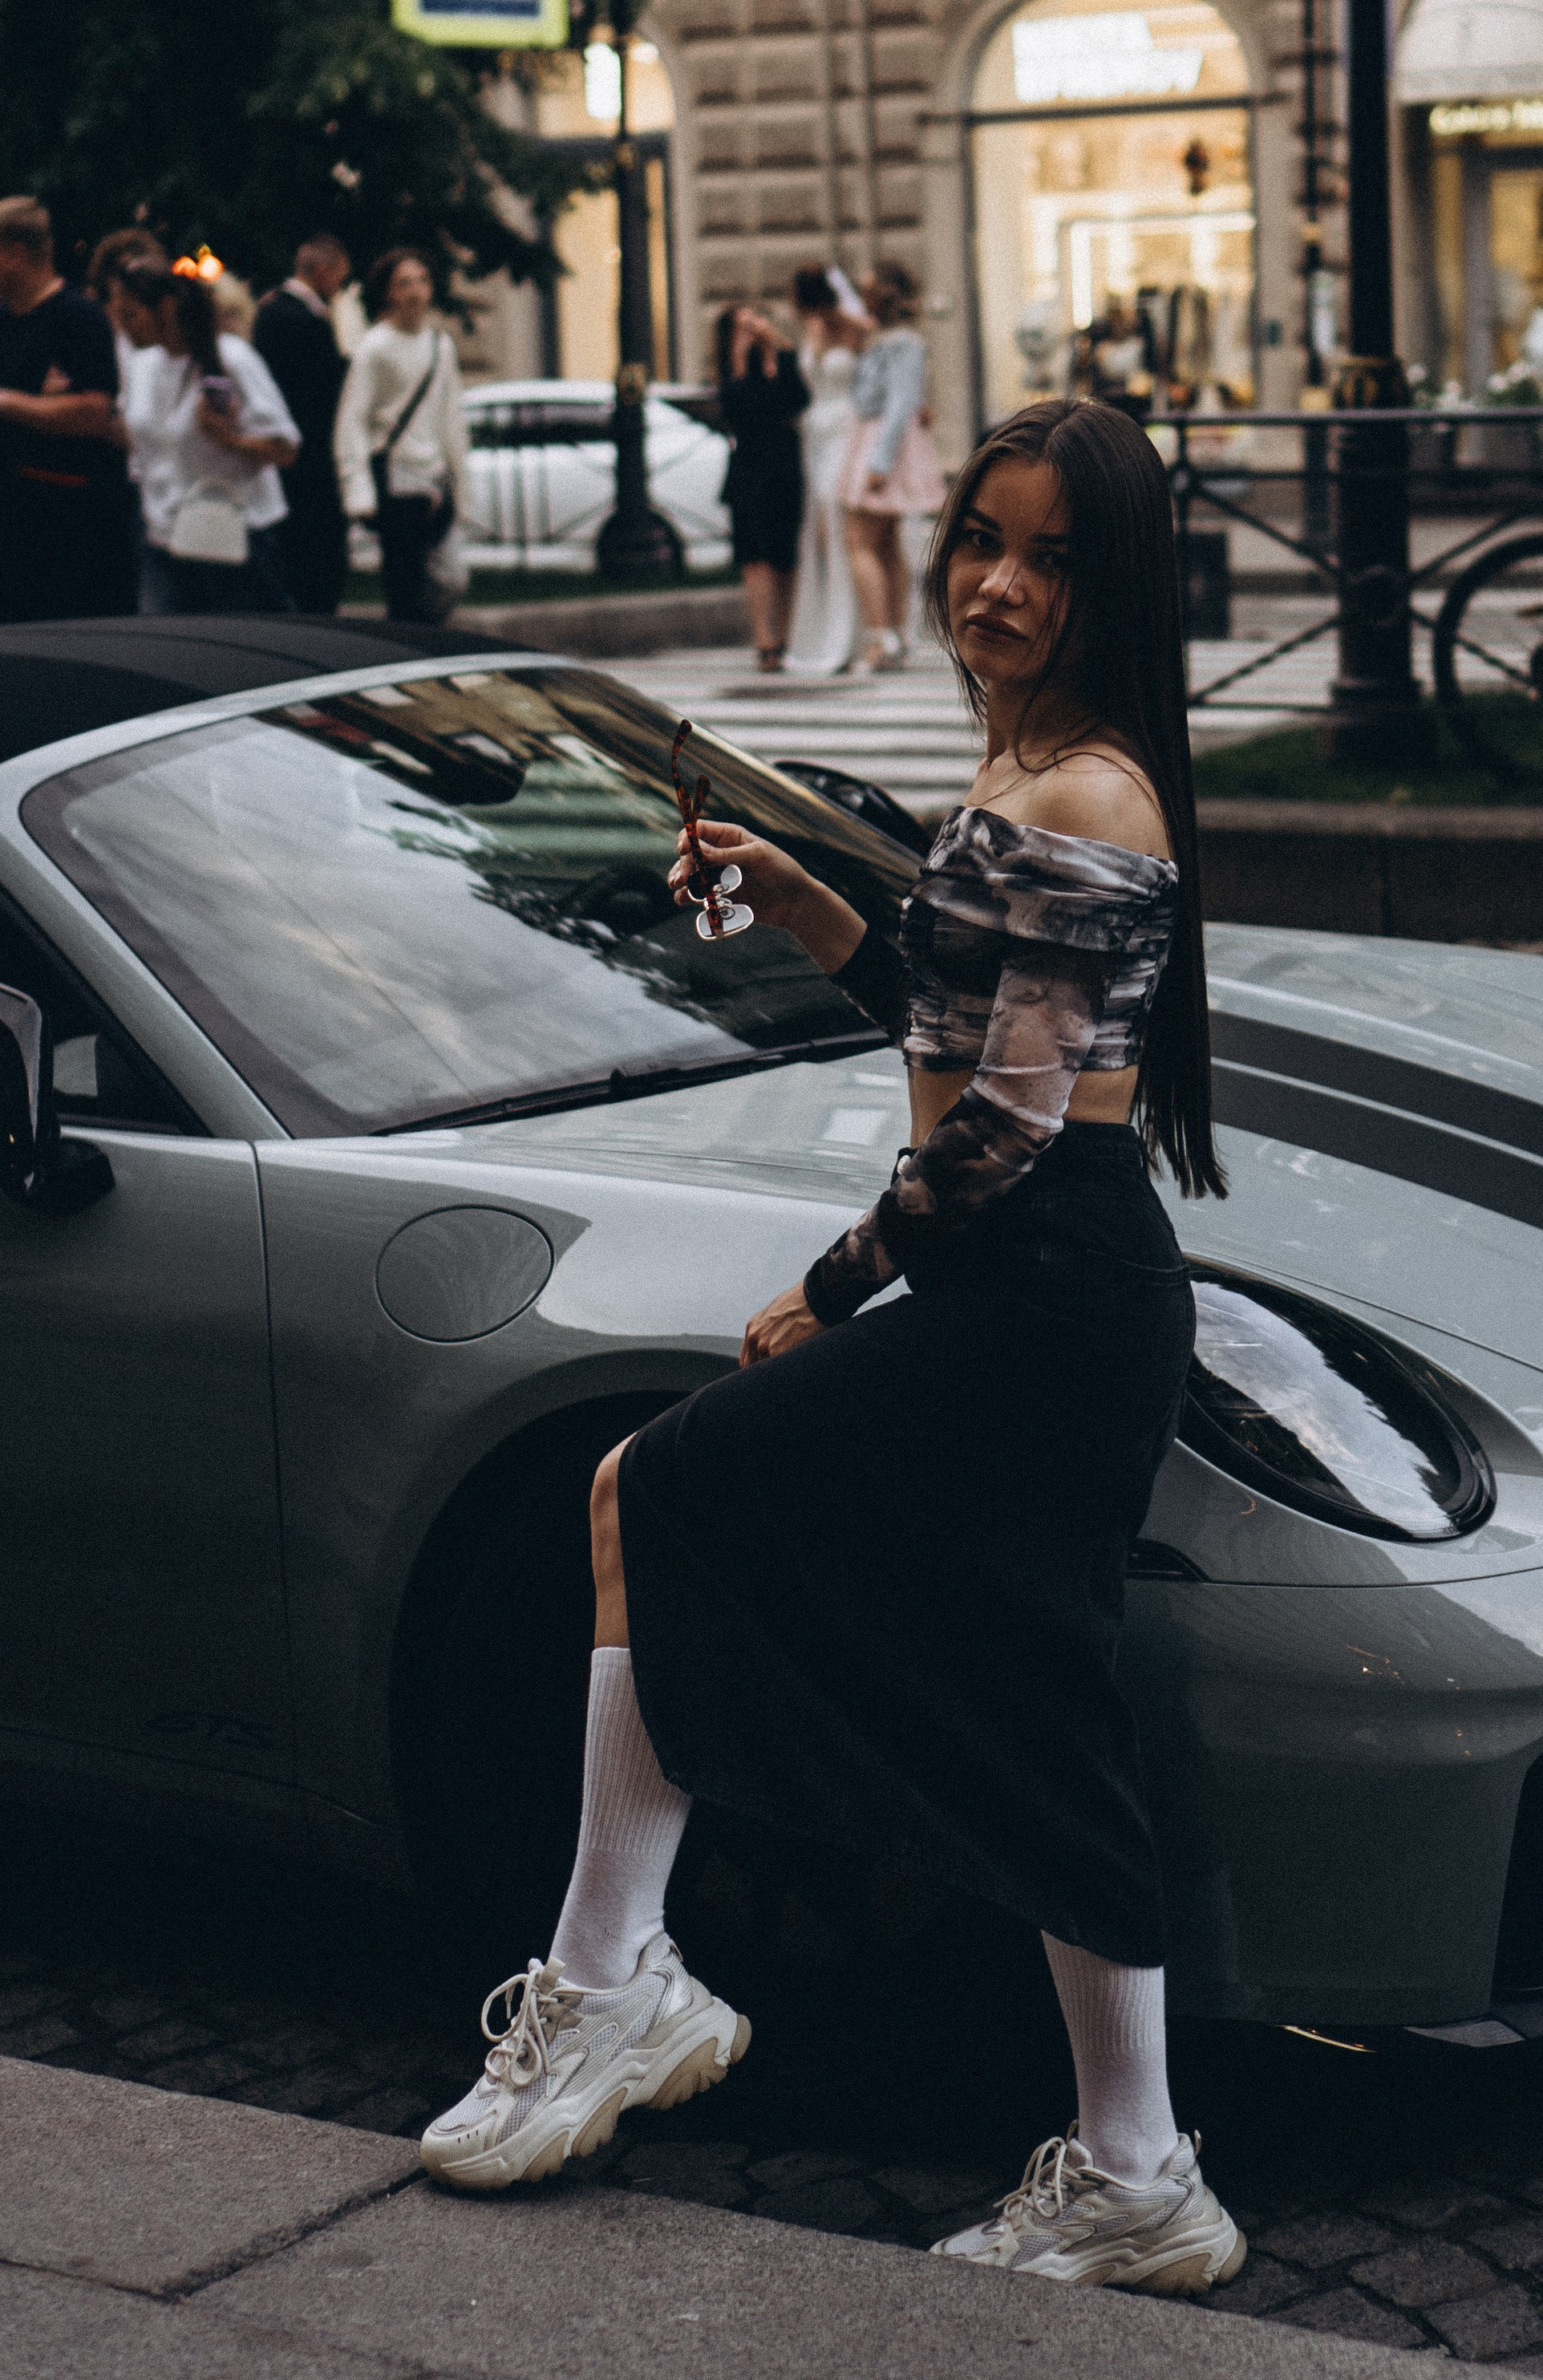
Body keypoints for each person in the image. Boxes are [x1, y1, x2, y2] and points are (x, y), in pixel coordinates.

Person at [421, 396, 1248, 2301]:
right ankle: (1133, 2169)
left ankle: (613, 1980)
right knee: (1033, 1709)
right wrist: (806, 902)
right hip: (1028, 1292)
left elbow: (1015, 1117)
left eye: (1049, 555)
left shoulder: (1090, 794)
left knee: (662, 1479)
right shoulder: (1030, 770)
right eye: (979, 536)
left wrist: (837, 1280)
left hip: (1037, 1293)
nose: (994, 580)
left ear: (1109, 583)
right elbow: (954, 1024)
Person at [0, 196, 135, 625]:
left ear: (17, 253)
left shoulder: (78, 317)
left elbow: (95, 412)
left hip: (68, 527)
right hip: (1, 524)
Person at [107, 257, 300, 614]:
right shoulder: (144, 366)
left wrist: (231, 439)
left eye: (131, 314)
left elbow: (286, 448)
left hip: (233, 540)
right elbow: (139, 440)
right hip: (162, 537)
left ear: (165, 308)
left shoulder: (231, 358)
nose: (124, 326)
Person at [334, 248, 468, 627]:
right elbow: (353, 420)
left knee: (452, 577)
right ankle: (410, 656)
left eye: (422, 280)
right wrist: (358, 489)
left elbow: (451, 417)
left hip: (435, 477)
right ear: (389, 293)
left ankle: (424, 644)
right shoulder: (375, 348)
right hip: (396, 478)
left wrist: (461, 481)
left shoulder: (440, 346)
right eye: (404, 283)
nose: (415, 291)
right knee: (405, 585)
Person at [843, 257, 945, 675]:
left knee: (860, 542)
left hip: (882, 443)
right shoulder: (891, 340)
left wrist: (879, 462)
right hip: (885, 439)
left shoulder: (900, 342)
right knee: (884, 543)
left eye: (867, 291)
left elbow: (898, 402)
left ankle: (879, 637)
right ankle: (895, 634)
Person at [254, 236, 354, 617]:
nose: (340, 289)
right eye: (340, 279)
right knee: (316, 554)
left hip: (286, 453)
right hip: (311, 453)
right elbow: (326, 388)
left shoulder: (269, 310)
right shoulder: (308, 320)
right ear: (325, 272)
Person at [715, 301, 809, 672]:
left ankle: (784, 638)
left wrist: (776, 349)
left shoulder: (780, 361)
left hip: (784, 467)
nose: (752, 331)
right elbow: (737, 413)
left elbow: (800, 399)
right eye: (743, 326)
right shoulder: (731, 372)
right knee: (755, 558)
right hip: (749, 471)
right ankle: (764, 641)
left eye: (756, 322)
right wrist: (738, 361)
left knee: (785, 557)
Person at [782, 266, 865, 675]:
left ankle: (855, 632)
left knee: (840, 521)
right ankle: (828, 627)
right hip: (817, 431)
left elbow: (857, 364)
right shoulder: (811, 327)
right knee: (820, 525)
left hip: (844, 427)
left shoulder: (850, 326)